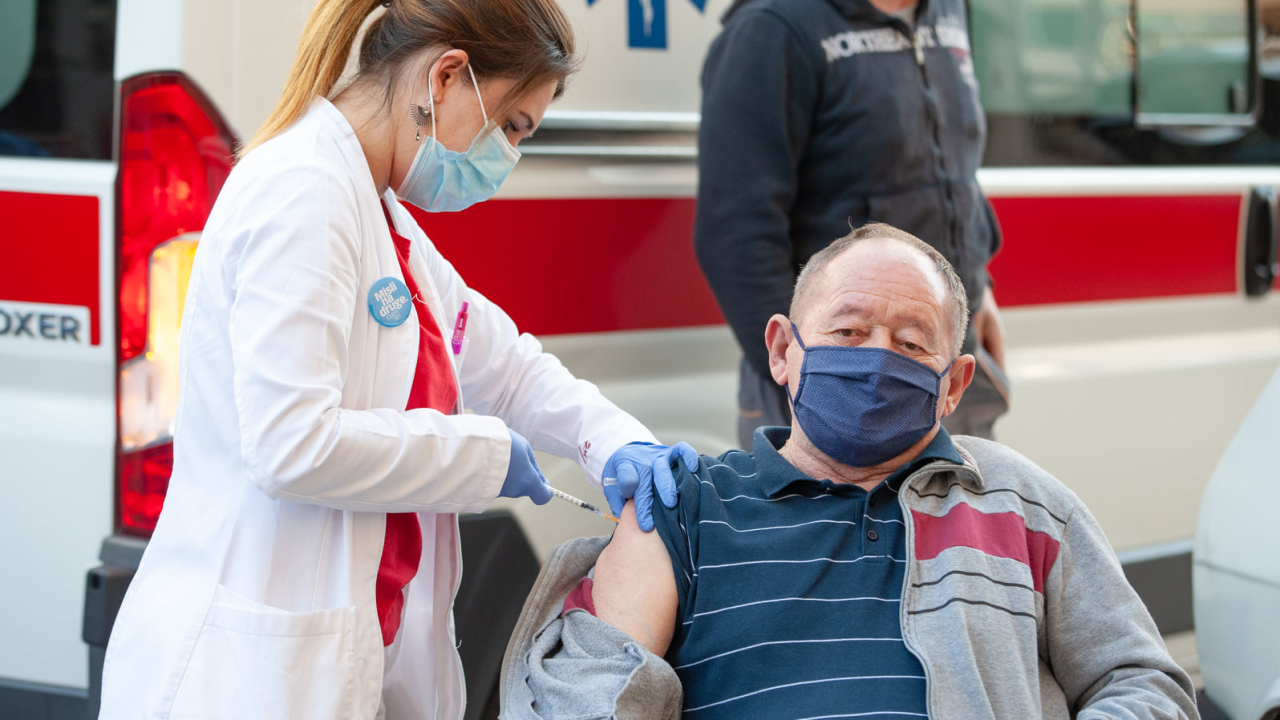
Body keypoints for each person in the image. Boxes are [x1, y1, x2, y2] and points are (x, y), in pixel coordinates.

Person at [97, 1, 694, 718]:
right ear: (446, 77)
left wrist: (614, 442)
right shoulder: (305, 192)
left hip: (330, 667)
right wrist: (481, 459)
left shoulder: (380, 215)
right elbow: (290, 443)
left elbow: (501, 363)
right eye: (510, 126)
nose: (507, 156)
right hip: (247, 676)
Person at [502, 224, 1198, 720]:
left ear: (954, 386)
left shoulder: (1021, 506)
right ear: (782, 350)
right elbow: (581, 688)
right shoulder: (687, 508)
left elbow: (1142, 681)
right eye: (847, 331)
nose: (875, 359)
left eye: (910, 342)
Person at [694, 0, 1010, 449]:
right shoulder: (773, 27)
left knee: (955, 519)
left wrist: (981, 289)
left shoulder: (946, 10)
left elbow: (952, 169)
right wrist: (809, 385)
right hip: (840, 385)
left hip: (943, 362)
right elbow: (734, 233)